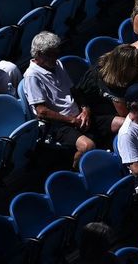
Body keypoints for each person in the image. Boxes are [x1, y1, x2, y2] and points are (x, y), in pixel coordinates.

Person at [24, 30, 98, 165]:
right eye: (51, 55)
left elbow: (73, 90)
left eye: (56, 54)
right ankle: (75, 169)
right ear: (39, 54)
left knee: (121, 123)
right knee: (88, 146)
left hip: (78, 116)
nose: (55, 58)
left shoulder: (57, 64)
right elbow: (42, 111)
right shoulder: (32, 76)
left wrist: (85, 109)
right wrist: (72, 121)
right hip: (59, 125)